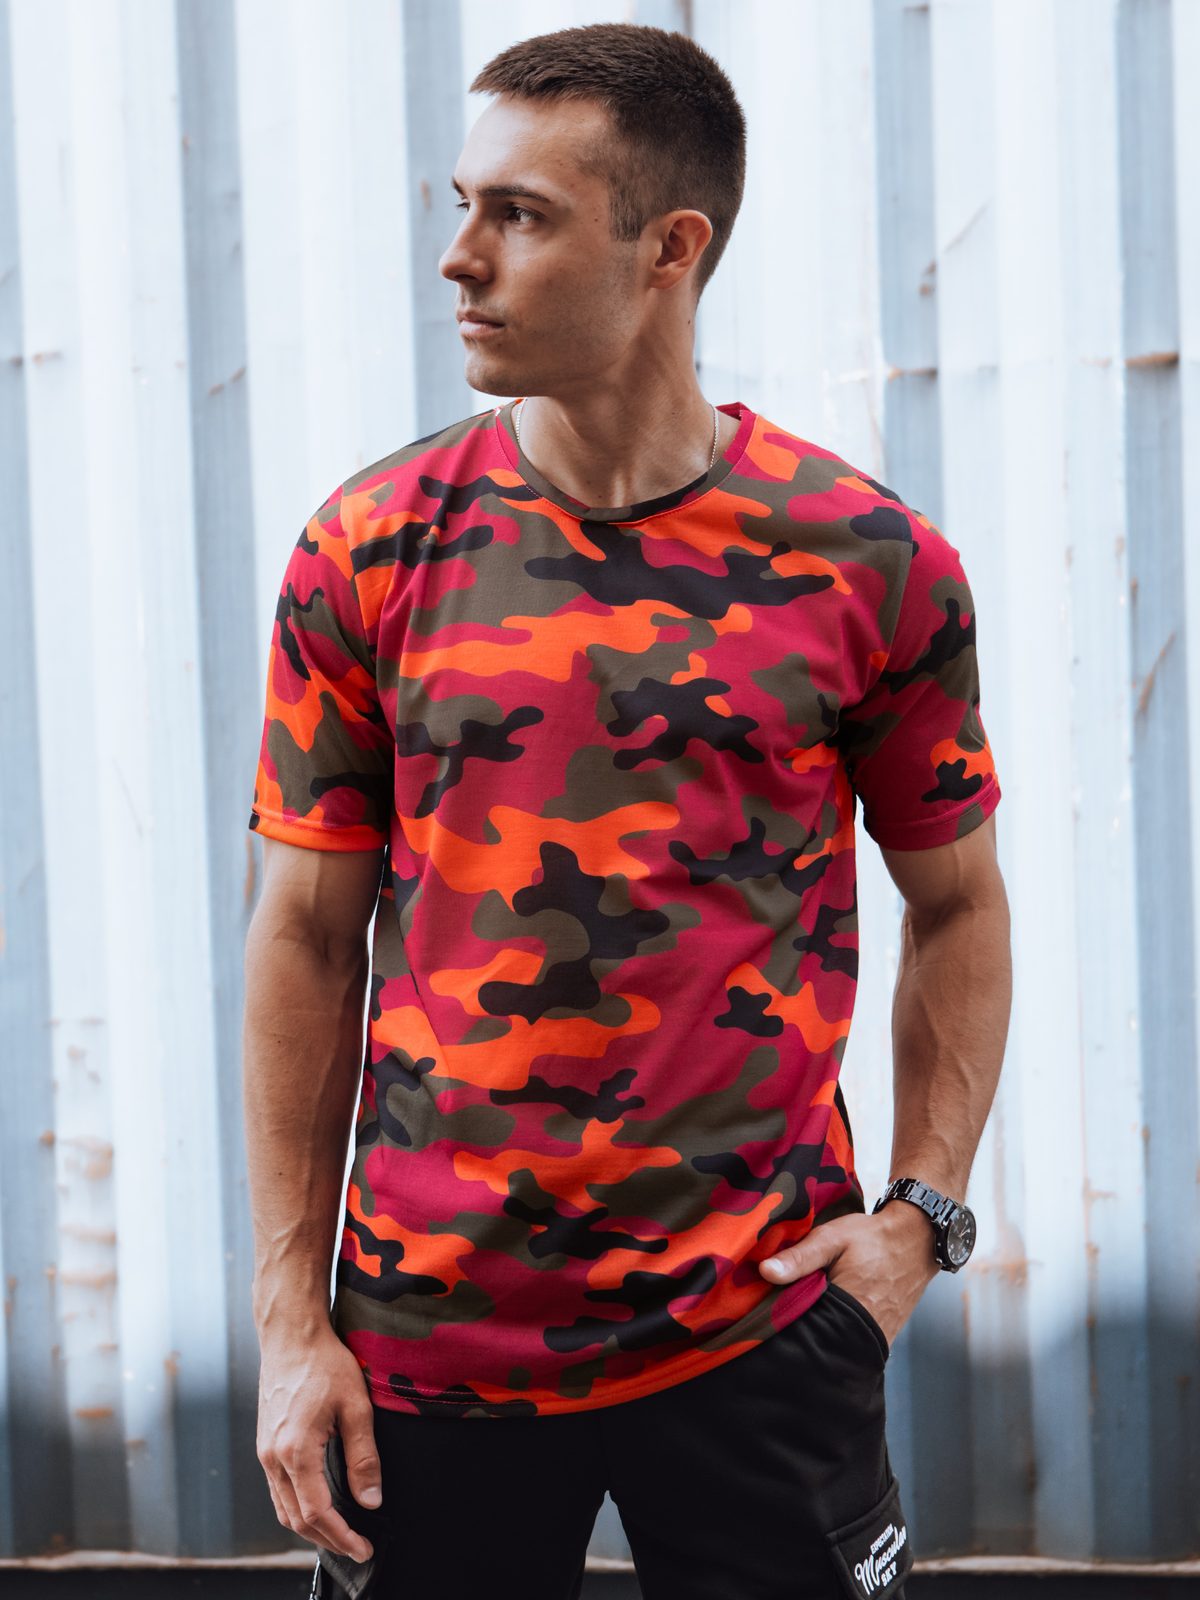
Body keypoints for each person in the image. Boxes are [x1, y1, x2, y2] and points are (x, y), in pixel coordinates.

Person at [242, 21, 1012, 1600]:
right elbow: (306, 940)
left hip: (759, 1331)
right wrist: (288, 1323)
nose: (459, 259)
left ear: (671, 248)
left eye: (519, 215)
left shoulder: (866, 563)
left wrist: (918, 1222)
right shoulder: (370, 550)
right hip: (425, 1348)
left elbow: (959, 904)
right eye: (462, 206)